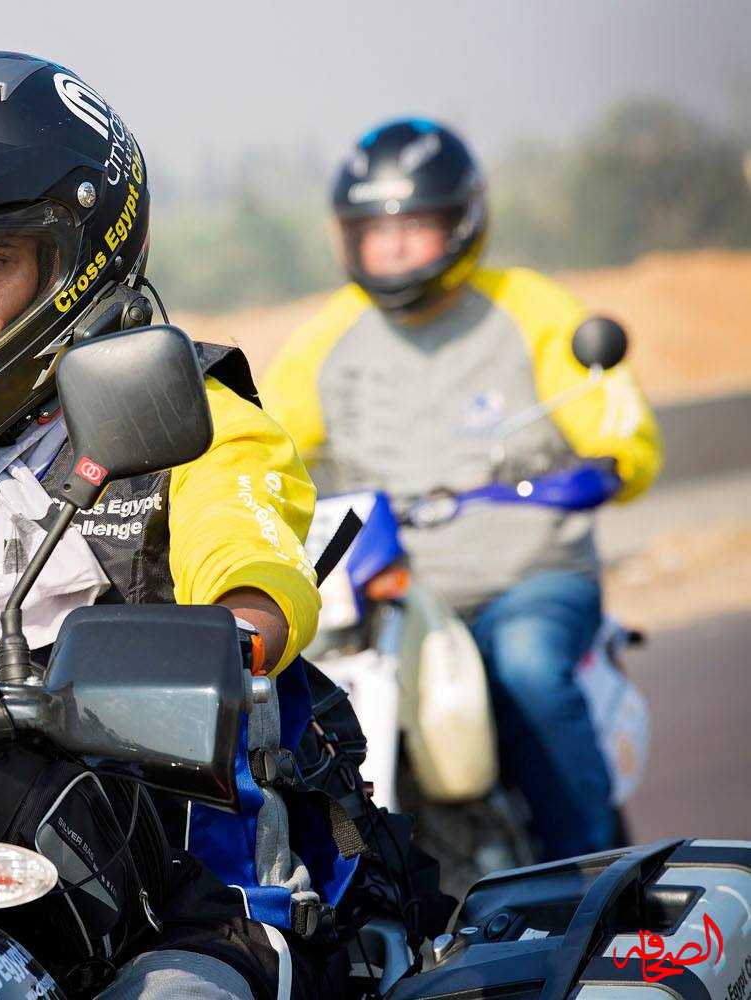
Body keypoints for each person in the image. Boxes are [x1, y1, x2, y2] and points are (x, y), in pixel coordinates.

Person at [0, 39, 338, 1000]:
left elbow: (252, 566)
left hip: (180, 888)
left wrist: (230, 632)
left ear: (79, 261)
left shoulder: (192, 423)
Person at [260, 118, 662, 862]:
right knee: (291, 698)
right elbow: (265, 445)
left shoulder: (530, 307)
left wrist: (609, 463)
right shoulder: (327, 340)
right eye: (374, 232)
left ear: (462, 221)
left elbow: (616, 422)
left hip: (528, 581)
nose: (392, 249)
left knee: (528, 667)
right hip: (392, 596)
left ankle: (599, 873)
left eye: (412, 227)